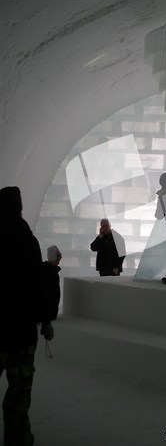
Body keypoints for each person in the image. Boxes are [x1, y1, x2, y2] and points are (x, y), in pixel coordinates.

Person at [0, 186, 52, 446]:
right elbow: (36, 285)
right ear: (19, 207)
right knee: (18, 397)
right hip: (20, 332)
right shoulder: (27, 241)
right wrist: (46, 320)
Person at [40, 245, 62, 341]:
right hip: (50, 313)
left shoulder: (45, 270)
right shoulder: (51, 274)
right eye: (58, 258)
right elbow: (52, 295)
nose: (60, 260)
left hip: (48, 312)